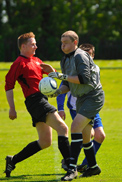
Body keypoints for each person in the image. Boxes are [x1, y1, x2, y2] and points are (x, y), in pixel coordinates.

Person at [4, 32, 70, 178]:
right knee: (63, 128)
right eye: (33, 44)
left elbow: (50, 80)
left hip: (42, 100)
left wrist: (52, 72)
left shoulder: (36, 60)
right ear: (23, 46)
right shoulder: (18, 64)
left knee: (45, 141)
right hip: (35, 101)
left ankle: (13, 160)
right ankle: (70, 165)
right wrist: (12, 108)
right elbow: (9, 85)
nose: (36, 46)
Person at [47, 30, 105, 181]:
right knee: (86, 135)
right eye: (61, 43)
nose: (62, 45)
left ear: (74, 43)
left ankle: (71, 168)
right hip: (81, 98)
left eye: (65, 43)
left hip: (93, 97)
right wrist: (57, 92)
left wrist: (61, 75)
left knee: (75, 127)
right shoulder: (65, 59)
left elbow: (84, 79)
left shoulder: (80, 55)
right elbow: (67, 84)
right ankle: (93, 167)